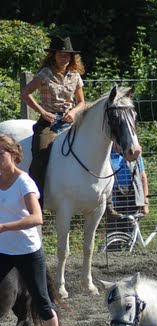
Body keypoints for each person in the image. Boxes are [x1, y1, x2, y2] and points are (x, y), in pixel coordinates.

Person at [0, 134, 62, 326]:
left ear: (13, 155)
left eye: (0, 154)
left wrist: (5, 226)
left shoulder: (24, 182)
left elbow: (37, 218)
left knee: (42, 300)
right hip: (3, 249)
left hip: (27, 251)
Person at [21, 36, 85, 205]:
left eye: (67, 55)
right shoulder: (45, 73)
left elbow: (82, 102)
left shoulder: (75, 76)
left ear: (72, 57)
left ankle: (104, 201)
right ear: (53, 56)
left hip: (69, 119)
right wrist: (42, 112)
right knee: (41, 154)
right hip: (49, 121)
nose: (64, 58)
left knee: (93, 145)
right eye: (60, 55)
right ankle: (35, 199)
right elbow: (25, 93)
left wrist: (74, 112)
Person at [107, 143, 149, 233]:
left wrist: (145, 203)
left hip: (132, 200)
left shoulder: (133, 153)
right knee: (114, 235)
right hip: (113, 202)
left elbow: (143, 177)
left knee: (132, 235)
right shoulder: (106, 155)